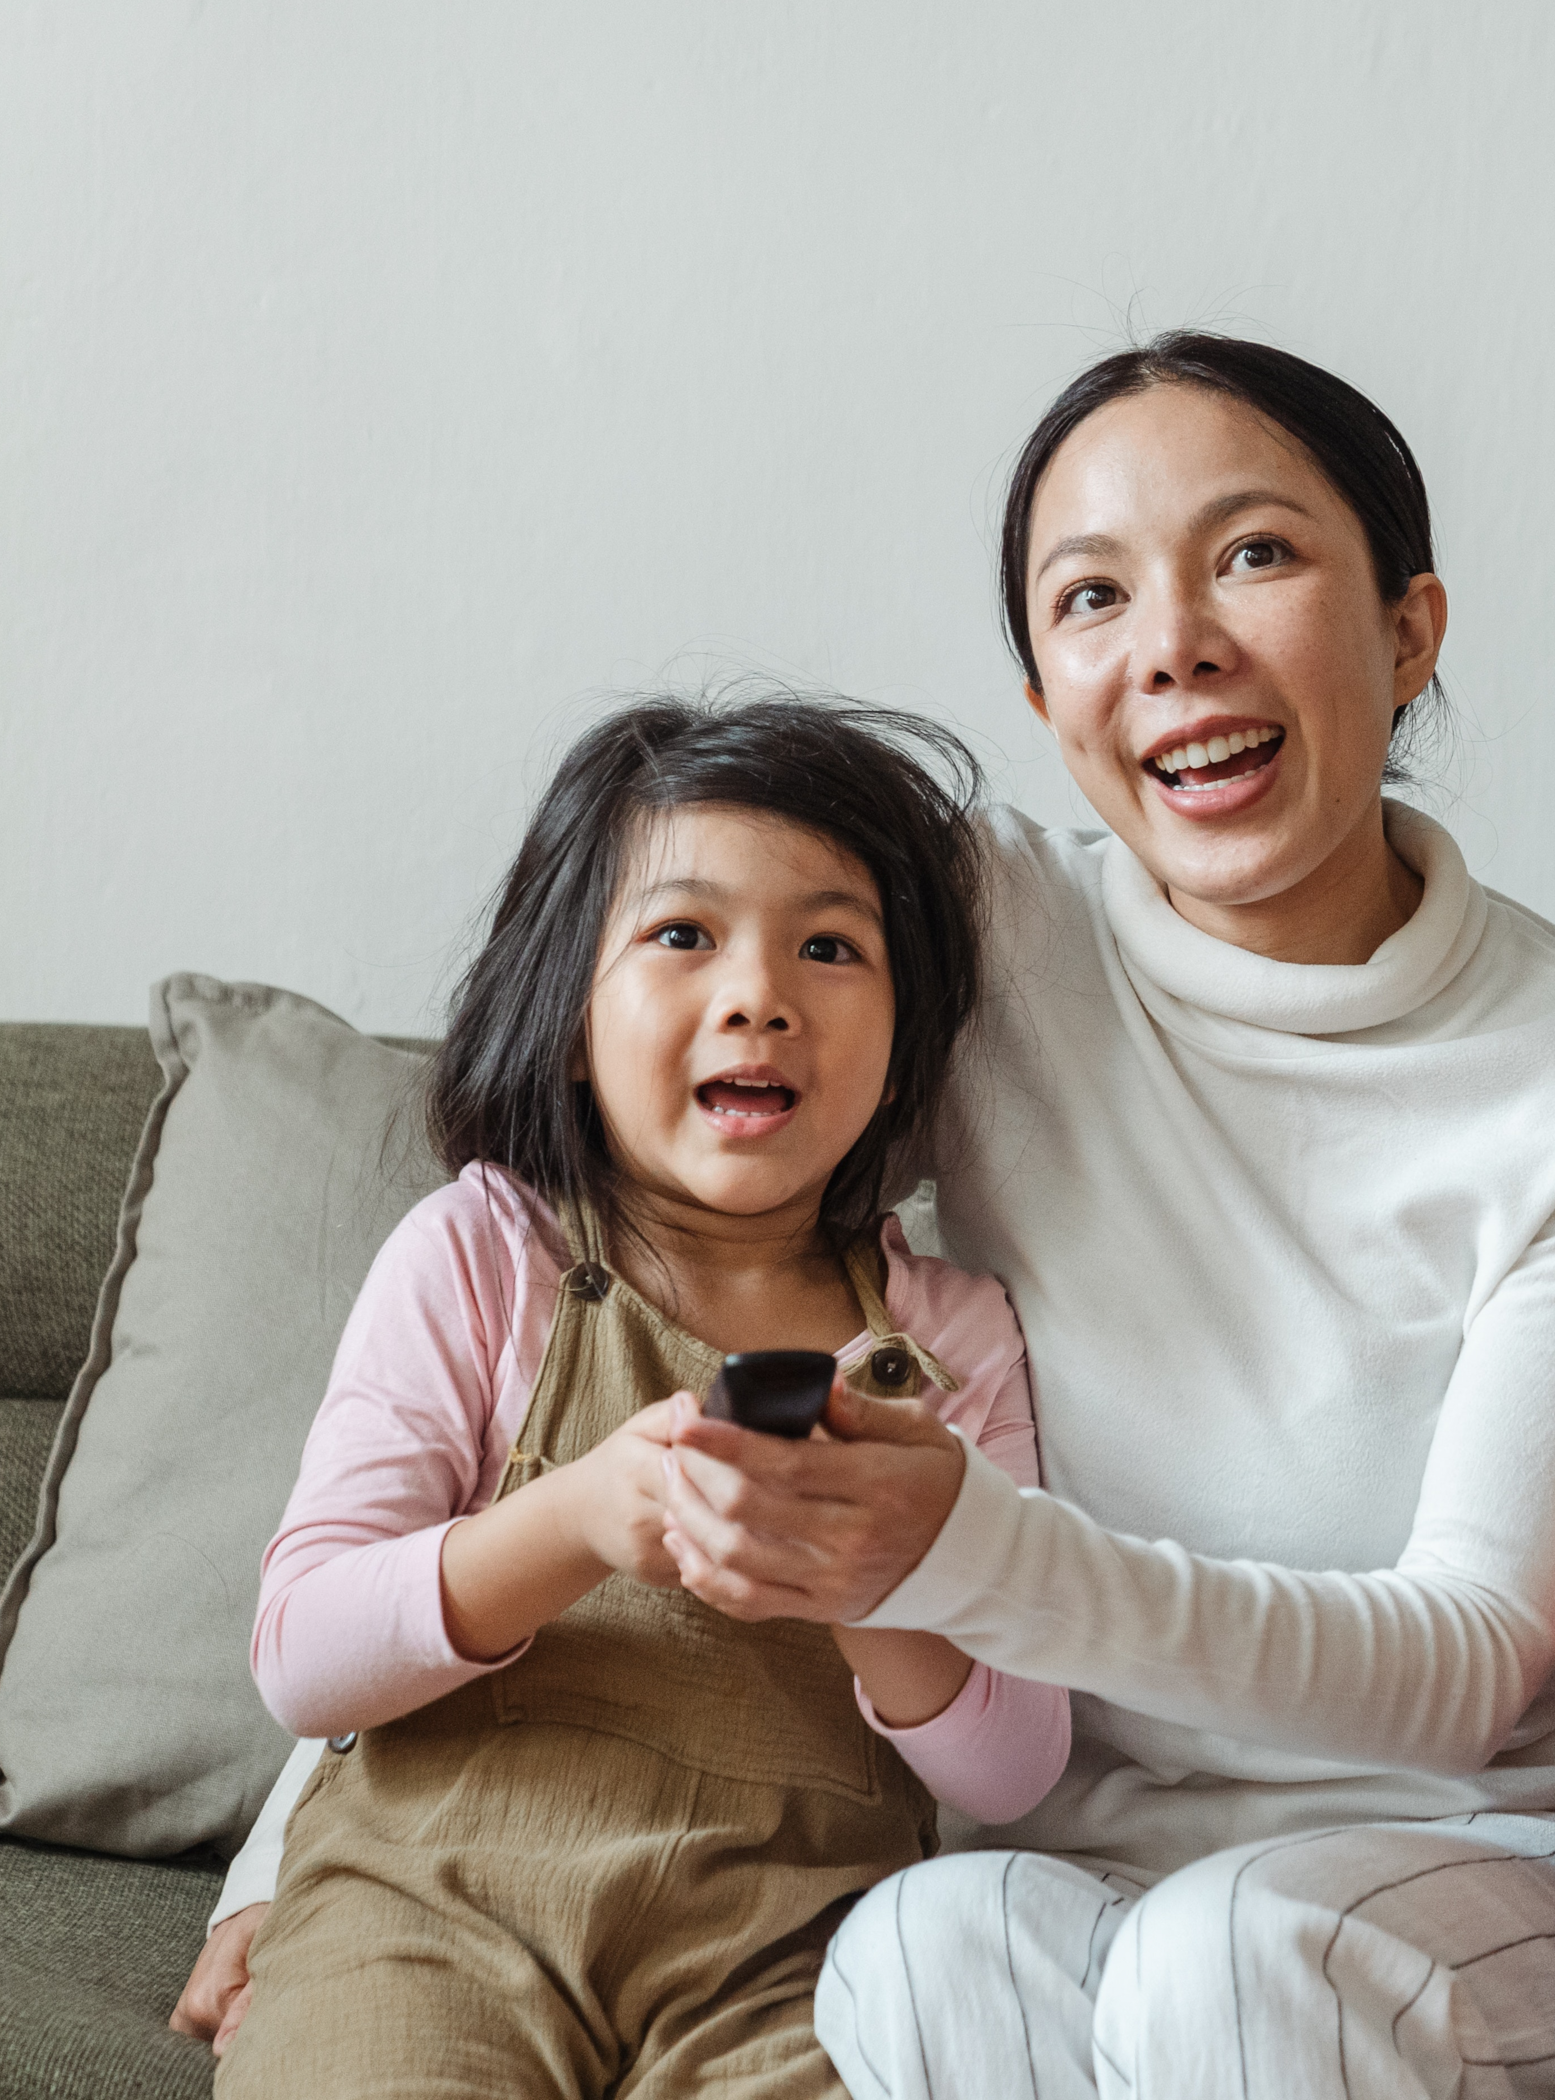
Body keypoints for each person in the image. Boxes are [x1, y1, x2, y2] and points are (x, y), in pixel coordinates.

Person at [182, 334, 1555, 2097]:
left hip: (1471, 1849)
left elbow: (1460, 1670)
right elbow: (581, 1276)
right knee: (914, 1949)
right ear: (1046, 701)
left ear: (1407, 628)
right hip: (1084, 1865)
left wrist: (943, 1550)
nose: (1174, 647)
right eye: (1092, 597)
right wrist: (295, 1863)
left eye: (1255, 556)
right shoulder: (982, 926)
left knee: (1225, 1967)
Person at [204, 695, 1069, 2099]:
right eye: (683, 934)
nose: (760, 994)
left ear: (908, 1047)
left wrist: (863, 1565)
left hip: (795, 1960)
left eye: (831, 946)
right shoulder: (482, 1254)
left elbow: (1016, 1765)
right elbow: (304, 1652)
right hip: (430, 1910)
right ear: (564, 1018)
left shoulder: (948, 1336)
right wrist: (578, 1519)